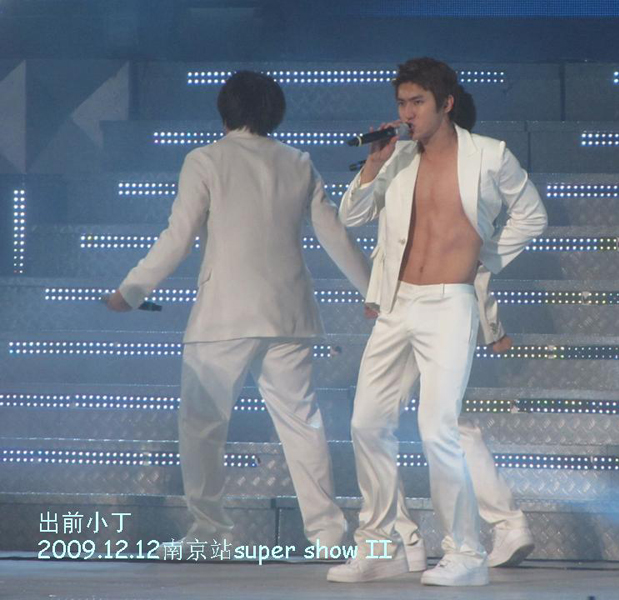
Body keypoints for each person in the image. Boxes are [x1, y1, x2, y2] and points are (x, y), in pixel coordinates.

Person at [105, 70, 370, 553]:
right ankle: (328, 535)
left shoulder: (205, 159)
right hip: (288, 313)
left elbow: (178, 236)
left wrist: (132, 290)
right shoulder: (298, 161)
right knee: (302, 424)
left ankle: (210, 531)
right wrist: (374, 291)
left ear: (224, 110)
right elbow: (334, 234)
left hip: (224, 314)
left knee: (203, 426)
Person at [327, 57, 547, 586]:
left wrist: (484, 260)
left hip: (449, 303)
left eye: (418, 102)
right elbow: (351, 216)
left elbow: (533, 214)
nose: (408, 113)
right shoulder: (398, 158)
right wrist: (373, 166)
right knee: (366, 423)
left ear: (445, 103)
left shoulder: (489, 155)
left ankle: (465, 553)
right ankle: (380, 546)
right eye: (402, 103)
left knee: (438, 428)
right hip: (397, 303)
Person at [393, 266, 536, 573]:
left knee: (379, 421)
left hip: (409, 304)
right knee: (448, 422)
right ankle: (508, 523)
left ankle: (403, 539)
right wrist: (491, 324)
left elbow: (472, 259)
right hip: (447, 306)